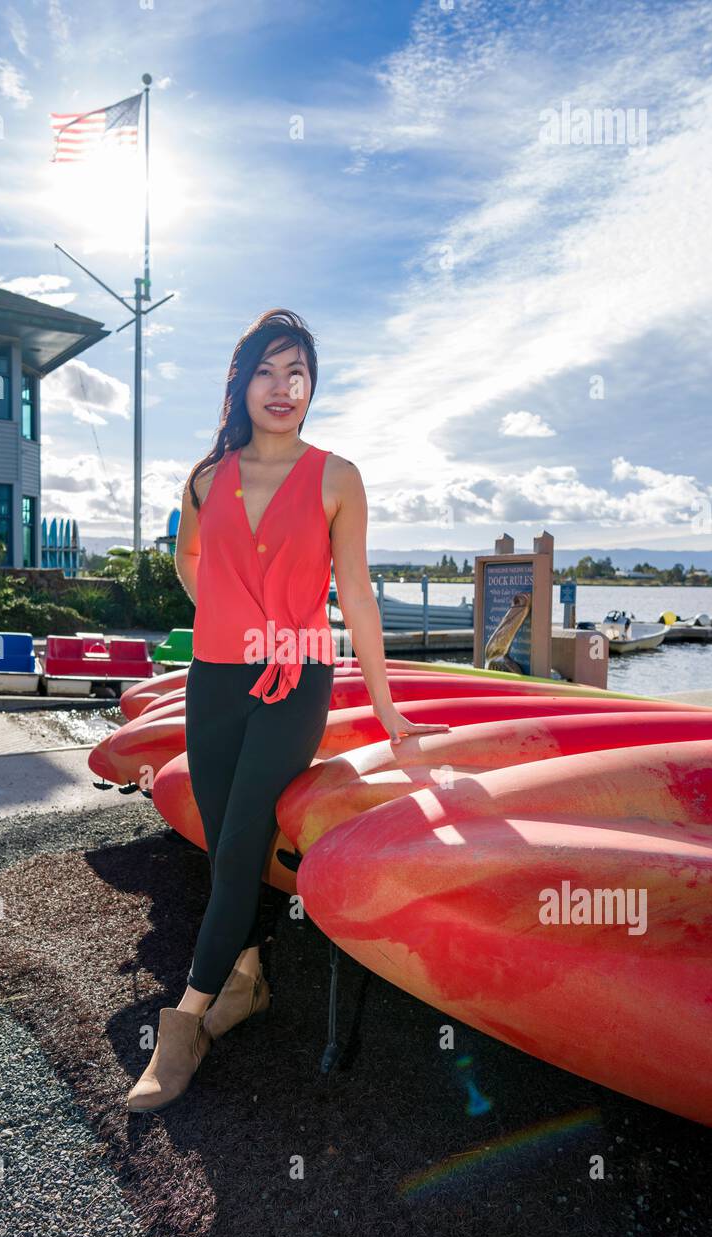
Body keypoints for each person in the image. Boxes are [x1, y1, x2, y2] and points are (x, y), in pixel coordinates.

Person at [127, 308, 445, 1113]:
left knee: (238, 849)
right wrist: (223, 617)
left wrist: (387, 706)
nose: (284, 387)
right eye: (268, 370)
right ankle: (246, 977)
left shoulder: (338, 477)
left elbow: (359, 597)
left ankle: (183, 1027)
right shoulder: (207, 478)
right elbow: (187, 557)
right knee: (228, 838)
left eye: (297, 372)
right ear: (243, 383)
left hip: (296, 681)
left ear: (311, 388)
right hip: (214, 680)